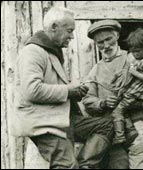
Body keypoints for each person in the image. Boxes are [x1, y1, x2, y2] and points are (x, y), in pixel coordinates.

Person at [12, 7, 113, 169]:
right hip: (44, 124)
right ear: (54, 27)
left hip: (63, 119)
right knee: (67, 165)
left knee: (106, 125)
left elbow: (53, 88)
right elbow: (31, 90)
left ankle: (85, 166)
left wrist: (75, 93)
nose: (72, 36)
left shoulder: (51, 52)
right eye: (69, 31)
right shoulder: (32, 52)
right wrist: (69, 91)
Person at [83, 20, 143, 169]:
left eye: (108, 39)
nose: (105, 45)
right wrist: (103, 103)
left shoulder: (135, 58)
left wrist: (128, 103)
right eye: (100, 42)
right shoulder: (95, 71)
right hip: (115, 133)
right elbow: (87, 99)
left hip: (139, 126)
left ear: (117, 35)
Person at [110, 28, 143, 144]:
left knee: (117, 110)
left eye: (137, 51)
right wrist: (121, 74)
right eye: (132, 51)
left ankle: (119, 135)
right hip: (133, 90)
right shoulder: (133, 57)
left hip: (139, 93)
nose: (135, 54)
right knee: (122, 107)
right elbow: (128, 66)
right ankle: (131, 130)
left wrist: (135, 73)